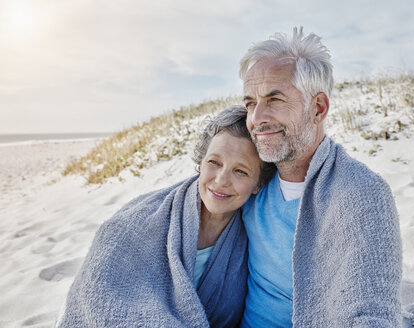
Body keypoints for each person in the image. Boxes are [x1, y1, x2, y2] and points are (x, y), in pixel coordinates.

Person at [238, 27, 402, 327]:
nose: (257, 118)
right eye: (250, 103)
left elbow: (373, 310)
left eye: (274, 100)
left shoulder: (362, 193)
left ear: (318, 108)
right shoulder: (247, 184)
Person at [55, 106, 275, 328]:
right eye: (214, 162)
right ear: (201, 161)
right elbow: (97, 292)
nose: (221, 180)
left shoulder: (253, 242)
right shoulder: (136, 222)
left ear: (258, 184)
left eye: (241, 171)